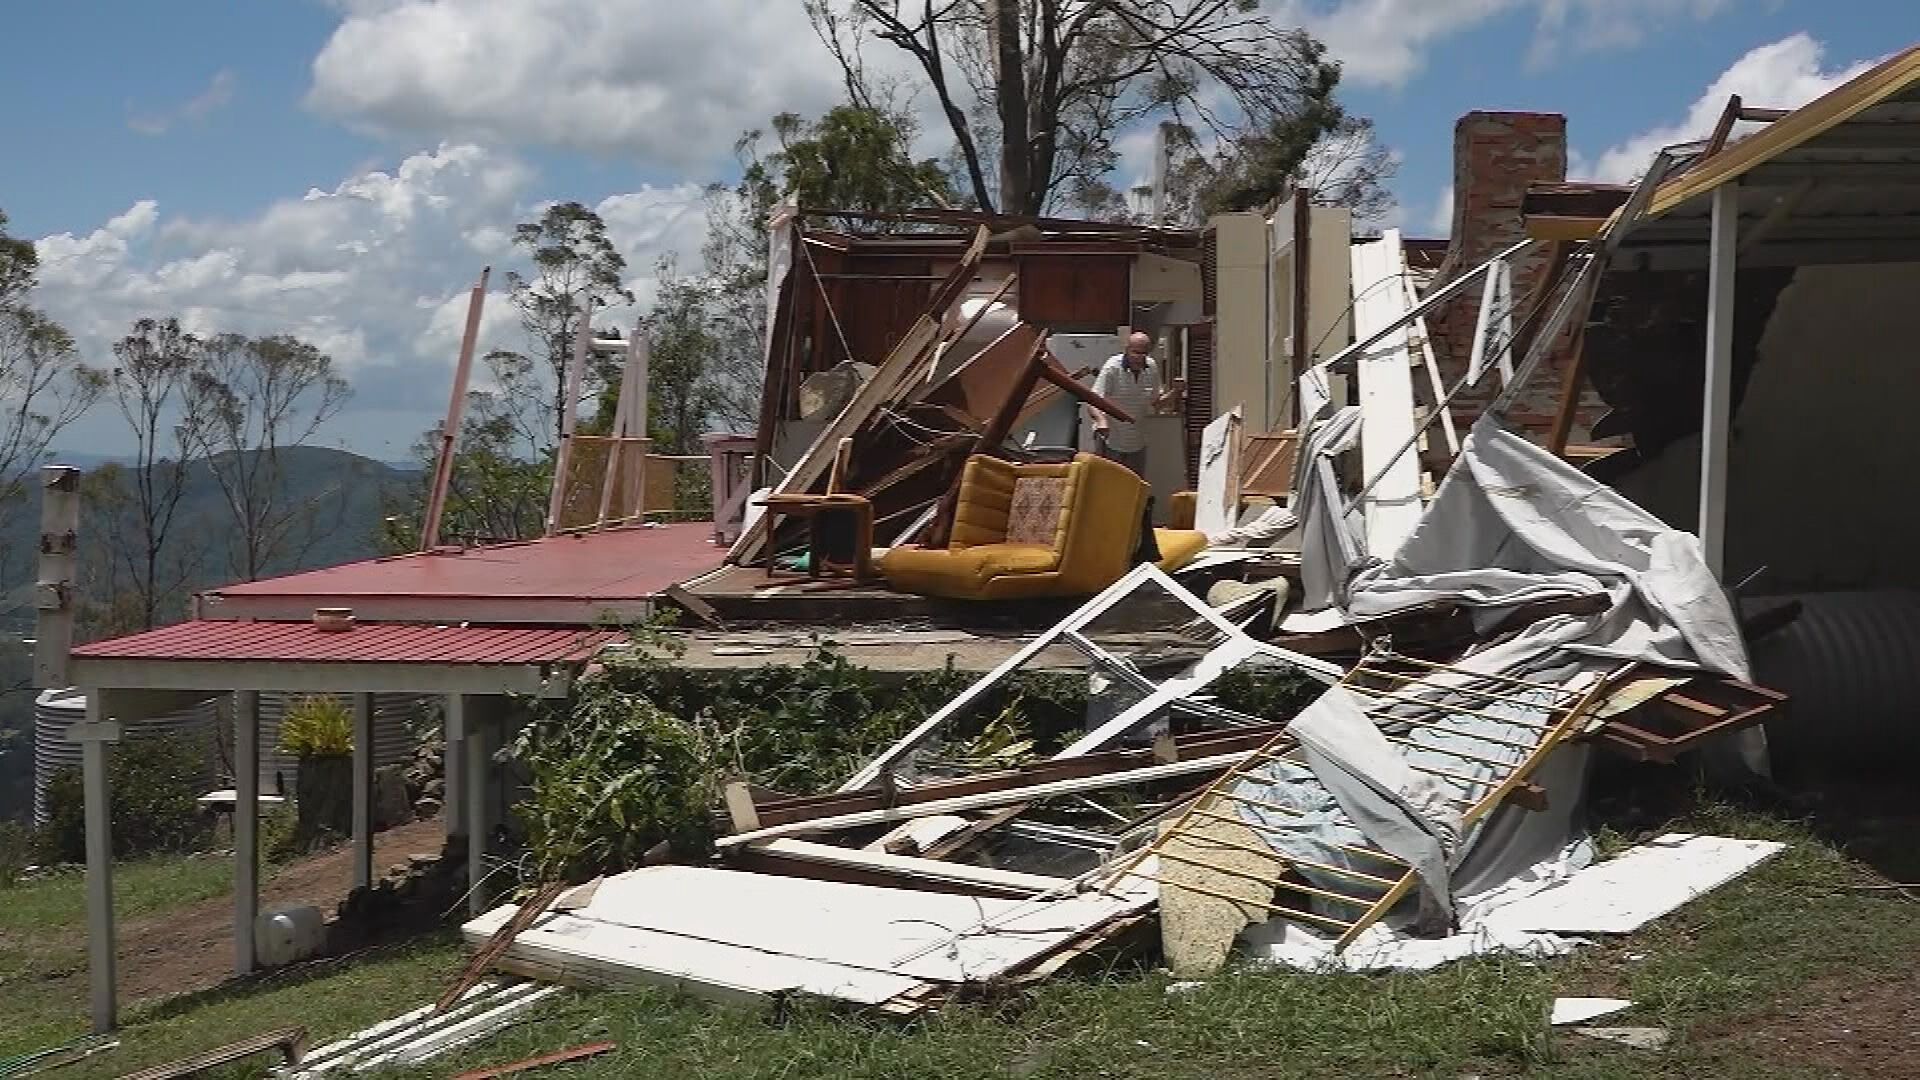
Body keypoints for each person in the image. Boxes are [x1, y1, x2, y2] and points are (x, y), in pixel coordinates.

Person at [1089, 330, 1183, 477]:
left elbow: (1157, 404)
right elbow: (1093, 400)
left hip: (1136, 441)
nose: (1140, 357)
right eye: (1136, 352)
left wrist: (1176, 392)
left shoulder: (1151, 367)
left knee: (1135, 486)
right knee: (1109, 485)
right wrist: (1101, 421)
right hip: (1110, 438)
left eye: (1144, 353)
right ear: (1127, 349)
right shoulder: (1112, 367)